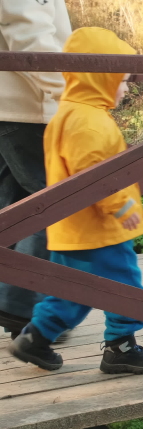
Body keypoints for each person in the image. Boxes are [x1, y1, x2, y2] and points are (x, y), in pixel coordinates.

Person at [8, 27, 143, 374]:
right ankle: (122, 347)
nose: (125, 88)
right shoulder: (88, 122)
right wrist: (122, 208)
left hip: (71, 229)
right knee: (124, 284)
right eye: (122, 80)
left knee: (73, 290)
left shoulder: (68, 113)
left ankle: (35, 338)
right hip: (99, 228)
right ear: (100, 77)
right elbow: (95, 175)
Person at [0, 0, 72, 339]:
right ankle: (20, 308)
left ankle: (18, 307)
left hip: (13, 106)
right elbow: (30, 34)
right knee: (56, 204)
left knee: (13, 210)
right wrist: (71, 92)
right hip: (29, 109)